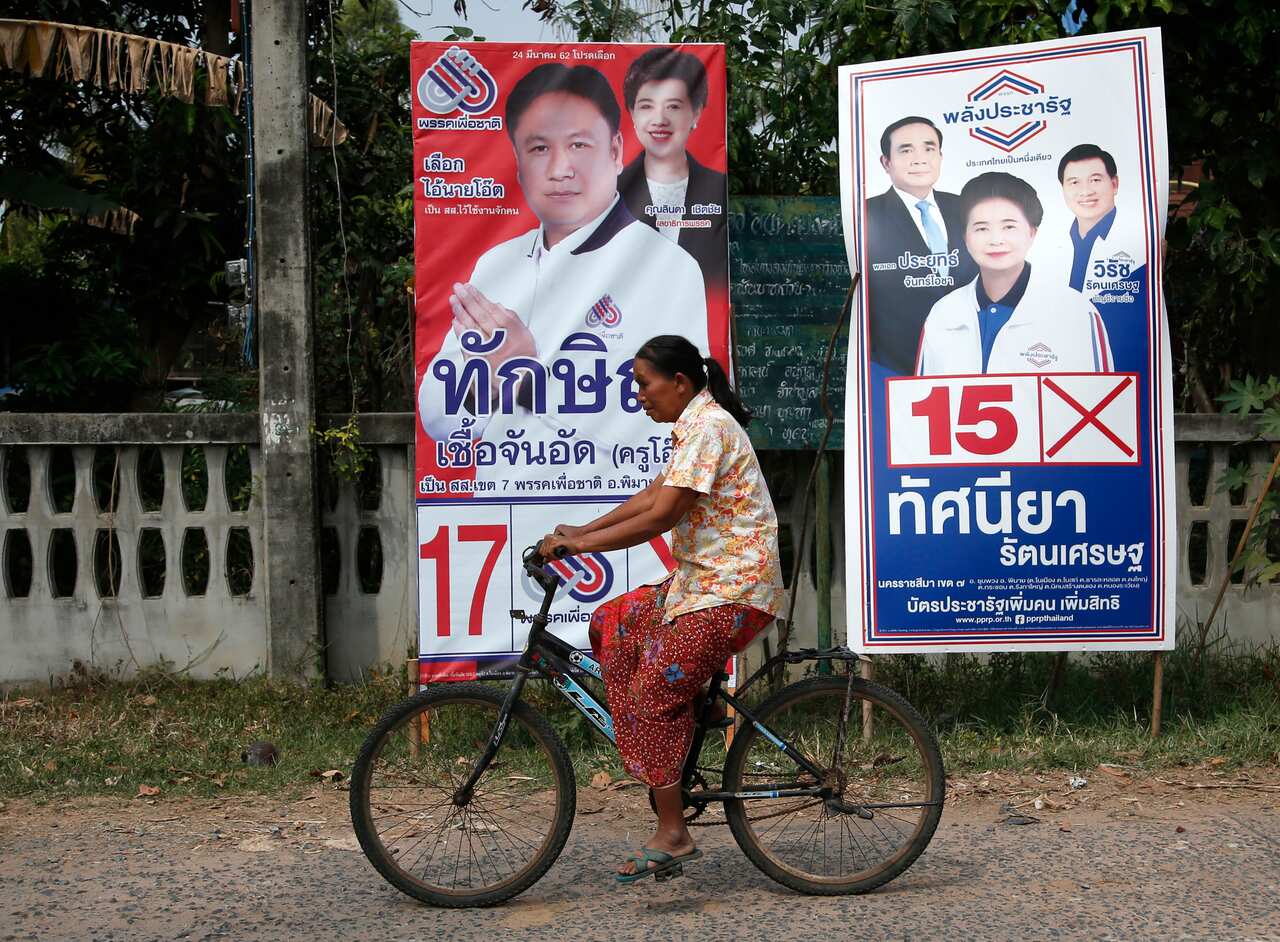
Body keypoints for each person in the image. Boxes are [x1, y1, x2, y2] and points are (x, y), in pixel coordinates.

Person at [538, 335, 786, 884]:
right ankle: (683, 727)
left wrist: (578, 547)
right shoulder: (694, 427)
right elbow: (651, 498)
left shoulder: (709, 428)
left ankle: (673, 833)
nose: (639, 397)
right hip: (702, 584)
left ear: (678, 383)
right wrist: (582, 530)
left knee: (651, 693)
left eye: (644, 385)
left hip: (734, 591)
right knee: (612, 623)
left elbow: (661, 518)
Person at [417, 63, 709, 464]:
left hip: (617, 511)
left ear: (616, 151)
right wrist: (482, 386)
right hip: (506, 508)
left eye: (578, 145)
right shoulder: (497, 264)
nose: (559, 170)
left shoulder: (668, 268)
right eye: (539, 148)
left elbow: (682, 423)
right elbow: (436, 415)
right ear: (518, 165)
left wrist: (526, 378)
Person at [916, 172, 1114, 376]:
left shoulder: (1076, 312)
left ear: (1031, 233)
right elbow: (921, 397)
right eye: (981, 228)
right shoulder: (942, 314)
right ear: (965, 237)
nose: (996, 240)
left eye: (1009, 226)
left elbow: (1101, 400)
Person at [864, 116, 976, 375]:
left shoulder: (968, 207)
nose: (920, 158)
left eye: (929, 148)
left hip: (969, 358)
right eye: (906, 150)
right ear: (886, 162)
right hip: (896, 364)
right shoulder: (865, 214)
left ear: (940, 156)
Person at [617, 48, 728, 290]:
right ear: (632, 113)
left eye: (674, 106)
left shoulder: (719, 189)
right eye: (646, 106)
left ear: (696, 112)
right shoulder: (608, 194)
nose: (660, 119)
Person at [1035, 143, 1148, 372]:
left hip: (1122, 361)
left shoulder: (1139, 241)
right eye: (1074, 182)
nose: (1085, 191)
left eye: (1095, 180)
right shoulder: (1048, 244)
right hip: (1063, 362)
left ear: (1114, 184)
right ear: (1063, 189)